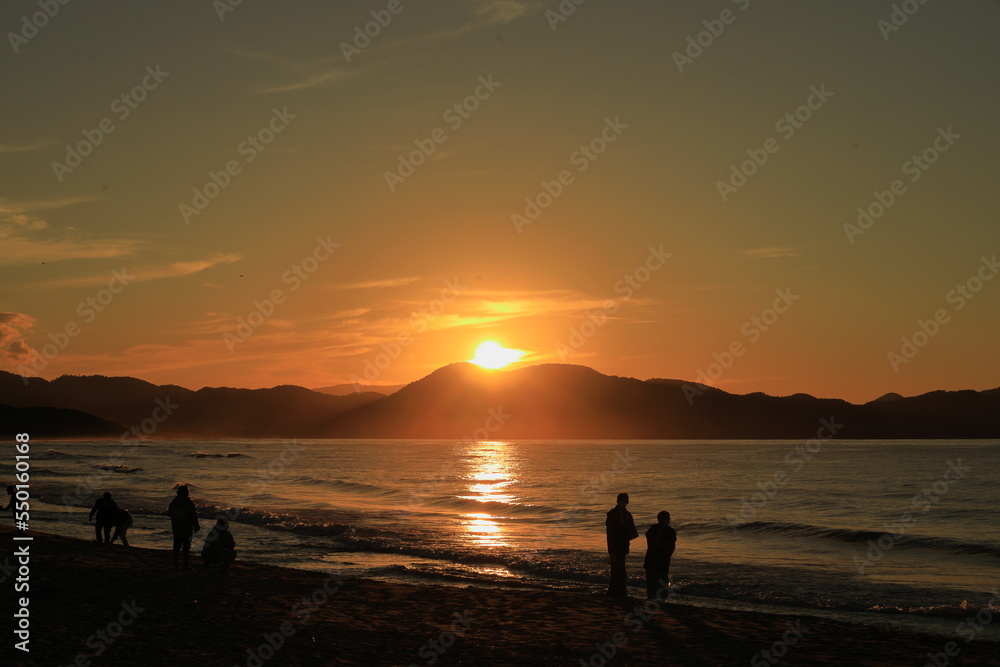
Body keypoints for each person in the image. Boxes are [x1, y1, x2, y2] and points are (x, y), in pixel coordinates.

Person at [605, 492, 639, 596]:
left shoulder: (627, 514)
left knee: (620, 568)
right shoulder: (613, 514)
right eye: (622, 501)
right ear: (618, 501)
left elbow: (632, 532)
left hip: (623, 544)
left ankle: (619, 591)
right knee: (616, 569)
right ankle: (614, 591)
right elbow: (610, 533)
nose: (624, 503)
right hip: (615, 544)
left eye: (625, 501)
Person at [643, 511, 677, 600]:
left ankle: (656, 597)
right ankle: (656, 597)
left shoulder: (668, 531)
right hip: (656, 557)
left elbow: (671, 546)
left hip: (659, 557)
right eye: (667, 518)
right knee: (656, 578)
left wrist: (665, 550)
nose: (668, 520)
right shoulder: (657, 529)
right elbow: (671, 547)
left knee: (656, 578)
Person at [168, 485, 200, 569]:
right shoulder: (189, 503)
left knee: (176, 545)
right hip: (187, 528)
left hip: (176, 527)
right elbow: (193, 515)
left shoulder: (174, 501)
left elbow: (169, 512)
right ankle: (185, 563)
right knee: (186, 546)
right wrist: (196, 525)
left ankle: (175, 563)